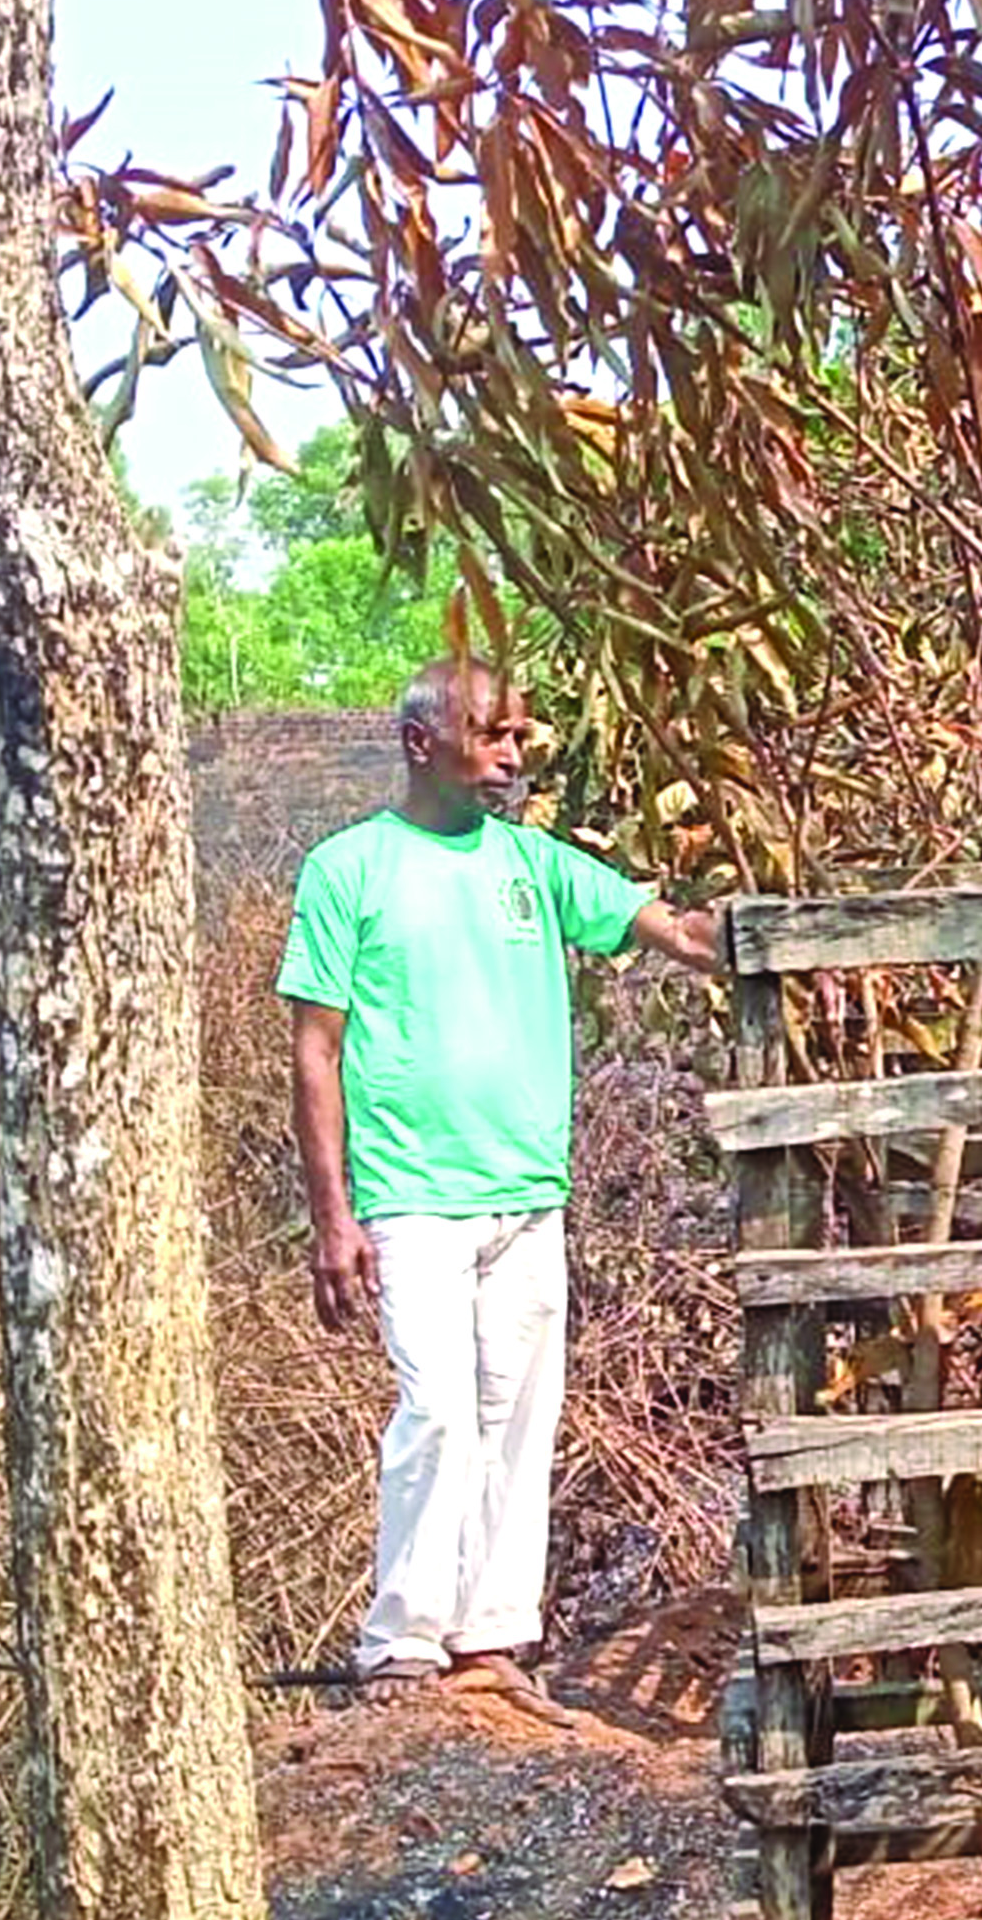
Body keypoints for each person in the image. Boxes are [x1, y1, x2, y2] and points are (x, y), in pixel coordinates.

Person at [281, 657, 720, 1718]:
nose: (513, 761)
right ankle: (400, 1644)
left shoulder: (535, 865)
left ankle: (489, 1635)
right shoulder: (349, 871)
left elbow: (678, 932)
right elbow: (314, 1049)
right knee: (434, 1408)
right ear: (420, 742)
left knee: (517, 1413)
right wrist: (333, 1217)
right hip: (412, 1194)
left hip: (528, 1190)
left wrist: (778, 936)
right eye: (493, 738)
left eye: (521, 740)